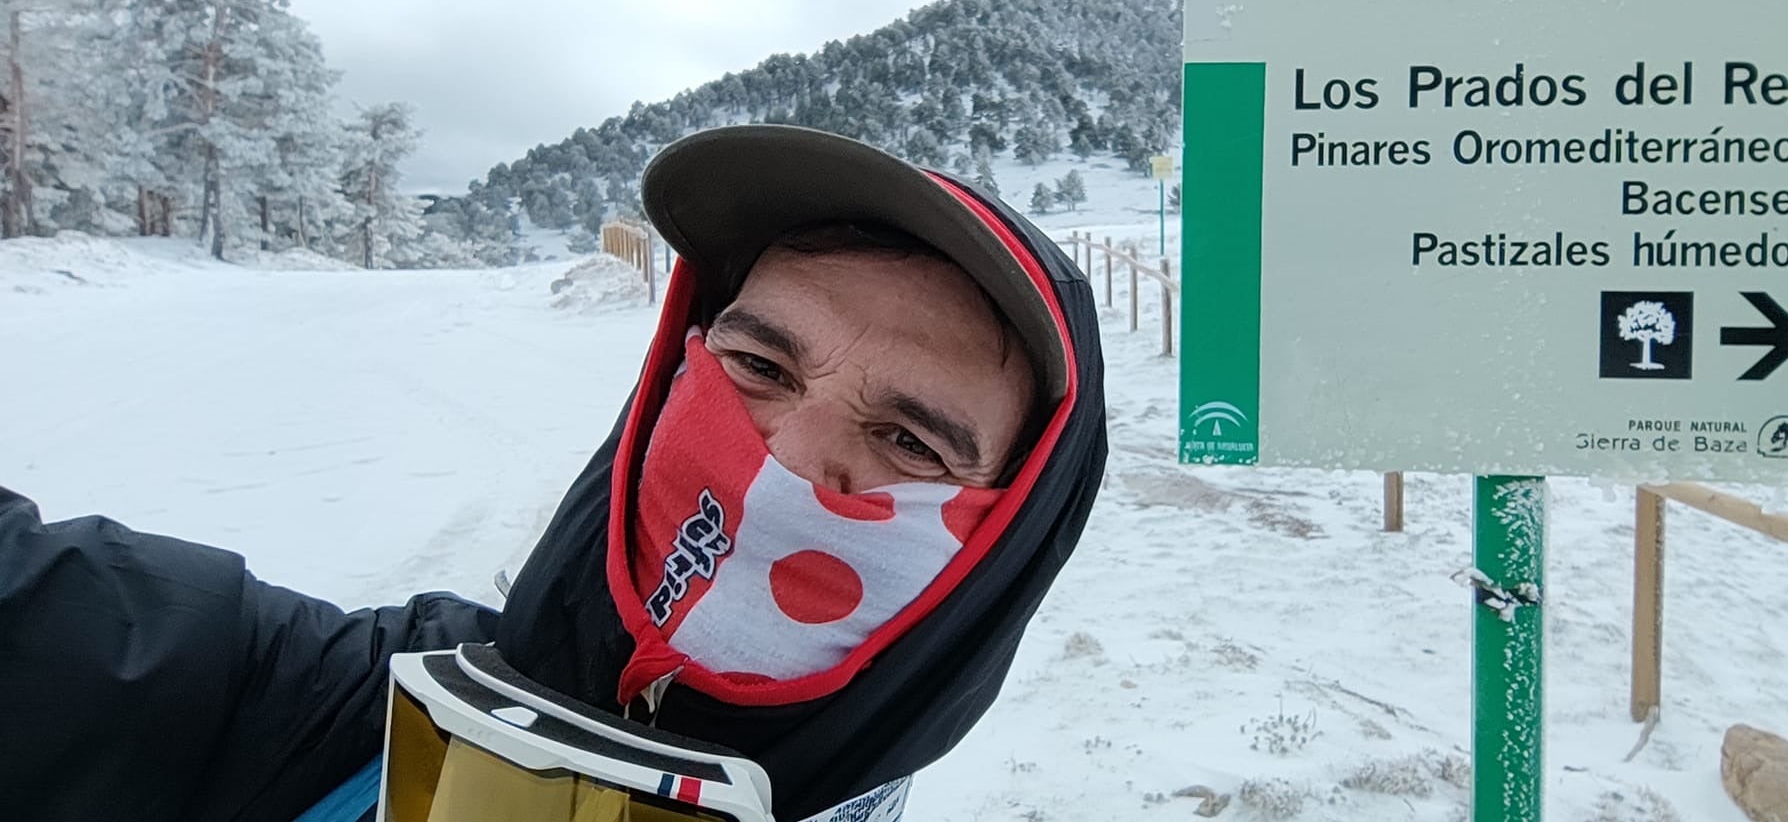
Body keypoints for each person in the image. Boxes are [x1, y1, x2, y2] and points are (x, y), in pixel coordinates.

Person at [0, 124, 1109, 822]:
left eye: (911, 445)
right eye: (758, 365)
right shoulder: (312, 706)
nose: (783, 461)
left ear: (1003, 551)